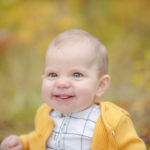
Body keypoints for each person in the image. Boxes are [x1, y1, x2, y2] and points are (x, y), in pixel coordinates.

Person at [0, 29, 146, 150]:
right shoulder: (45, 113)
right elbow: (38, 138)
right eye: (53, 74)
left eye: (77, 74)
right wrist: (23, 143)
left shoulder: (112, 120)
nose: (62, 83)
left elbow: (133, 146)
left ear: (100, 85)